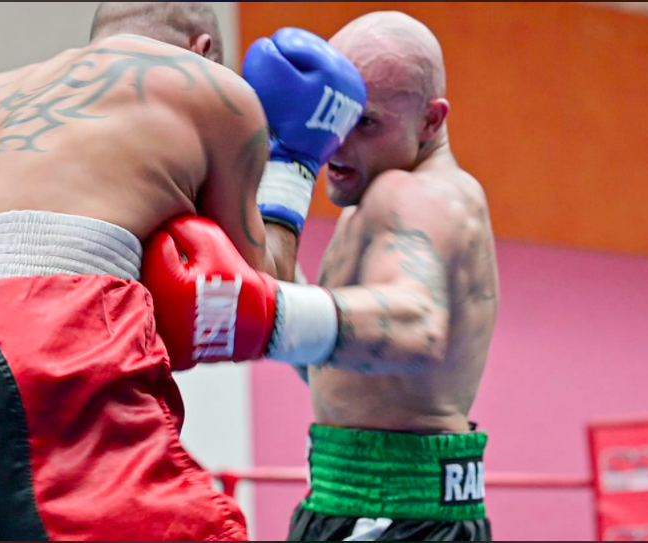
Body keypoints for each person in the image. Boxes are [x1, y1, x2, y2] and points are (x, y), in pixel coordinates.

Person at [0, 2, 364, 540]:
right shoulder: (211, 89)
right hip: (44, 344)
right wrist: (295, 160)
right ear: (204, 50)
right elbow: (257, 292)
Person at [141, 10, 499, 542]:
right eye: (333, 116)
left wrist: (266, 315)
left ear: (431, 121)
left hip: (399, 511)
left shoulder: (419, 195)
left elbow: (417, 325)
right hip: (350, 495)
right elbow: (341, 365)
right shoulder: (372, 206)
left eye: (366, 123)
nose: (338, 143)